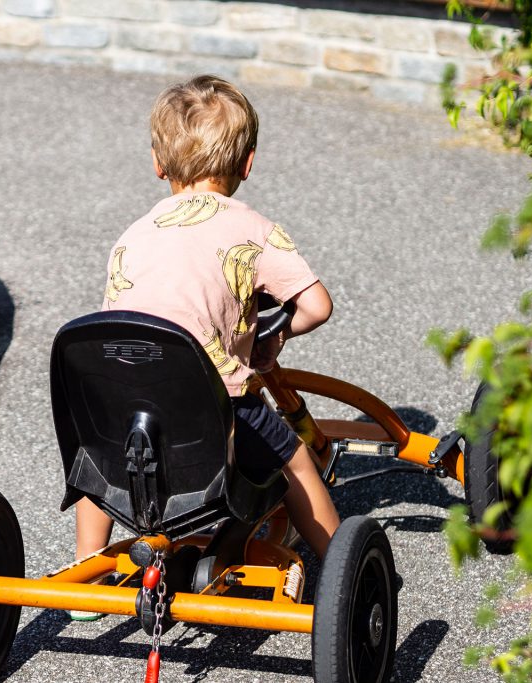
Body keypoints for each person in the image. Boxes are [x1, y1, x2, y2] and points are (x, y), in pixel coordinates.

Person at [72, 75, 339, 620]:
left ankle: (86, 572)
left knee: (97, 455)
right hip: (216, 413)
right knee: (294, 461)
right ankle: (344, 567)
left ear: (157, 163)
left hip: (127, 410)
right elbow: (317, 306)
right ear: (248, 163)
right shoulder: (254, 230)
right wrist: (274, 337)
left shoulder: (133, 234)